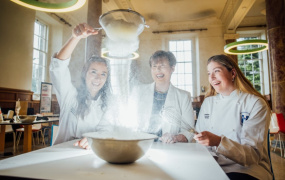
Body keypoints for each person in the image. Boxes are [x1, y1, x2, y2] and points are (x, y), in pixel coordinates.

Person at [194, 54, 273, 180]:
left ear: (233, 73)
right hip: (213, 166)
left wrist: (219, 142)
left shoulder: (255, 103)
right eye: (209, 73)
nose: (212, 77)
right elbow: (199, 141)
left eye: (217, 71)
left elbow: (252, 156)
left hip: (247, 170)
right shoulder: (208, 103)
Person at [50, 23, 113, 149]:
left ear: (106, 79)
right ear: (85, 74)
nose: (98, 78)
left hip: (89, 156)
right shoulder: (69, 95)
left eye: (103, 74)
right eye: (93, 72)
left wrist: (94, 139)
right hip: (61, 153)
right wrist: (75, 37)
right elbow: (58, 67)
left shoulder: (107, 104)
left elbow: (106, 131)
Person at [129, 50, 195, 143]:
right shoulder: (138, 92)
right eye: (154, 66)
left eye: (162, 66)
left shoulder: (183, 96)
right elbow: (129, 123)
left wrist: (175, 138)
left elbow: (189, 131)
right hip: (141, 147)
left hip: (170, 150)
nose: (158, 70)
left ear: (172, 68)